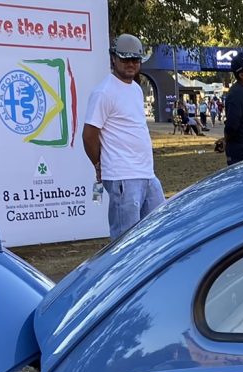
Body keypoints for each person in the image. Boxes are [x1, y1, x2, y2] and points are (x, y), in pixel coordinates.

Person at [82, 34, 163, 240]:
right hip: (122, 176)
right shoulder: (104, 92)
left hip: (146, 173)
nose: (131, 64)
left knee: (158, 234)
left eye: (135, 59)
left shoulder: (136, 89)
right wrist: (98, 164)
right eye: (125, 59)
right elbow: (89, 135)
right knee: (125, 241)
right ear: (113, 58)